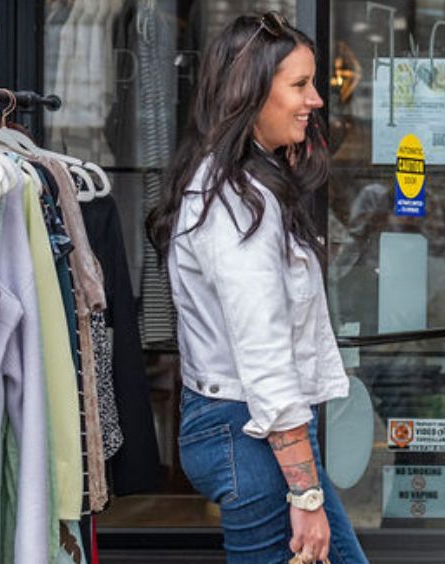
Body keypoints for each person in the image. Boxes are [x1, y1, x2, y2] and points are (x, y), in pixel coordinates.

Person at [146, 12, 366, 564]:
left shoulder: (245, 186)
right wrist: (305, 492)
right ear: (249, 94)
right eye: (298, 85)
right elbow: (263, 349)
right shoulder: (235, 201)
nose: (315, 99)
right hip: (248, 430)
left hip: (255, 429)